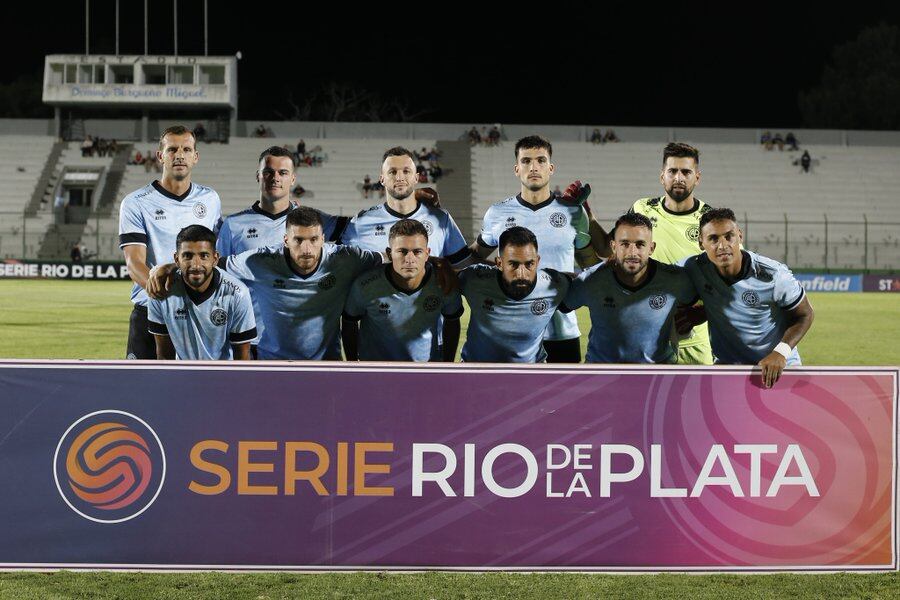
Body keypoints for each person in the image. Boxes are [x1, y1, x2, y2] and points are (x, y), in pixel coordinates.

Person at [471, 135, 599, 363]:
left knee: (564, 398)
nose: (533, 167)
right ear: (516, 169)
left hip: (561, 330)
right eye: (526, 161)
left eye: (541, 160)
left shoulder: (573, 213)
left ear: (551, 168)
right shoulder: (496, 213)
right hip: (512, 330)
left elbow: (591, 266)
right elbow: (473, 258)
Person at [588, 142, 714, 365]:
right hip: (645, 337)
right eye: (672, 171)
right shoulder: (642, 209)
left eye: (686, 172)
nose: (678, 177)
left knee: (695, 399)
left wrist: (702, 313)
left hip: (692, 338)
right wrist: (587, 217)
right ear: (662, 176)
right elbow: (606, 249)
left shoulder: (710, 220)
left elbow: (731, 278)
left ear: (698, 177)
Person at [214, 146, 347, 357]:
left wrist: (415, 199)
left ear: (292, 179)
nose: (275, 178)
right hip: (251, 338)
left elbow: (362, 228)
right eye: (268, 172)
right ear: (258, 176)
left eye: (282, 173)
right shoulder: (234, 224)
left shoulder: (310, 221)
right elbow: (219, 280)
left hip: (307, 343)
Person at [224, 206, 384, 360]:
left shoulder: (344, 259)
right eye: (298, 240)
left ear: (323, 239)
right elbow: (213, 265)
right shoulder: (260, 261)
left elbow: (392, 258)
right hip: (273, 364)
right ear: (286, 240)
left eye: (313, 240)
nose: (306, 249)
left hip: (325, 366)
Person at [118, 125, 222, 360]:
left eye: (186, 149)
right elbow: (134, 263)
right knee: (142, 391)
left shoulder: (210, 199)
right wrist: (165, 298)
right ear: (160, 156)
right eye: (172, 149)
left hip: (198, 312)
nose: (179, 155)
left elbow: (214, 256)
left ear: (195, 157)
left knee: (194, 392)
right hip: (150, 310)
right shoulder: (135, 203)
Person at [681, 208, 815, 388]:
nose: (722, 245)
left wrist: (781, 352)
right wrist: (704, 312)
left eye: (729, 236)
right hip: (728, 368)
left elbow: (805, 314)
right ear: (701, 243)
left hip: (776, 366)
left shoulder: (773, 275)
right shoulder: (695, 268)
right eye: (713, 239)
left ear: (740, 236)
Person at [560, 213, 698, 363]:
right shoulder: (592, 280)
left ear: (651, 248)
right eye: (625, 244)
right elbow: (559, 300)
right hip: (601, 374)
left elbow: (707, 295)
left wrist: (697, 315)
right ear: (613, 246)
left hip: (658, 374)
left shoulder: (674, 280)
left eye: (640, 244)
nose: (632, 253)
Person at [342, 219, 464, 362]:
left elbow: (452, 321)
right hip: (377, 371)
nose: (409, 259)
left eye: (417, 252)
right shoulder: (365, 285)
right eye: (402, 251)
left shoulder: (443, 282)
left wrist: (447, 364)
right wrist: (353, 364)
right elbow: (349, 322)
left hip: (426, 370)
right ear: (389, 252)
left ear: (427, 253)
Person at [341, 147, 473, 268]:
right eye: (392, 172)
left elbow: (463, 266)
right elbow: (337, 263)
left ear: (416, 178)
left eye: (406, 171)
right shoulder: (360, 223)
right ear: (382, 179)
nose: (399, 177)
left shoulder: (440, 218)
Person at [460, 227, 570, 363]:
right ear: (499, 263)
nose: (522, 274)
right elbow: (441, 277)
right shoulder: (474, 280)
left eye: (530, 264)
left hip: (531, 374)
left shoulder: (554, 285)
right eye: (513, 264)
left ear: (538, 261)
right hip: (476, 373)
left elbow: (586, 281)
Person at [148, 225, 255, 360]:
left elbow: (242, 358)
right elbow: (164, 355)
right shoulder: (162, 292)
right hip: (181, 375)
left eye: (204, 256)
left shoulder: (238, 294)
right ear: (176, 259)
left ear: (215, 259)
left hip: (224, 375)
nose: (196, 265)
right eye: (187, 256)